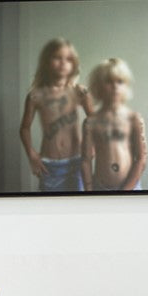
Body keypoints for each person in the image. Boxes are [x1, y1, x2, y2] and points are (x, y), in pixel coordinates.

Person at [19, 37, 93, 192]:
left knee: (78, 210)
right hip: (49, 165)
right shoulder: (35, 95)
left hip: (77, 161)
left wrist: (93, 148)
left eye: (68, 59)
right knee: (51, 210)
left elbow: (96, 121)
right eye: (57, 58)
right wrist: (31, 154)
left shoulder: (80, 92)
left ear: (74, 64)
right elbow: (24, 128)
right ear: (47, 61)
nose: (63, 62)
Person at [81, 57, 148, 192]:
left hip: (131, 188)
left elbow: (141, 158)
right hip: (100, 188)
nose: (115, 86)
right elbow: (86, 160)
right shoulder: (91, 122)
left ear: (126, 86)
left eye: (120, 81)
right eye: (109, 81)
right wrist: (88, 190)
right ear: (98, 86)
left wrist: (126, 191)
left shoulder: (133, 119)